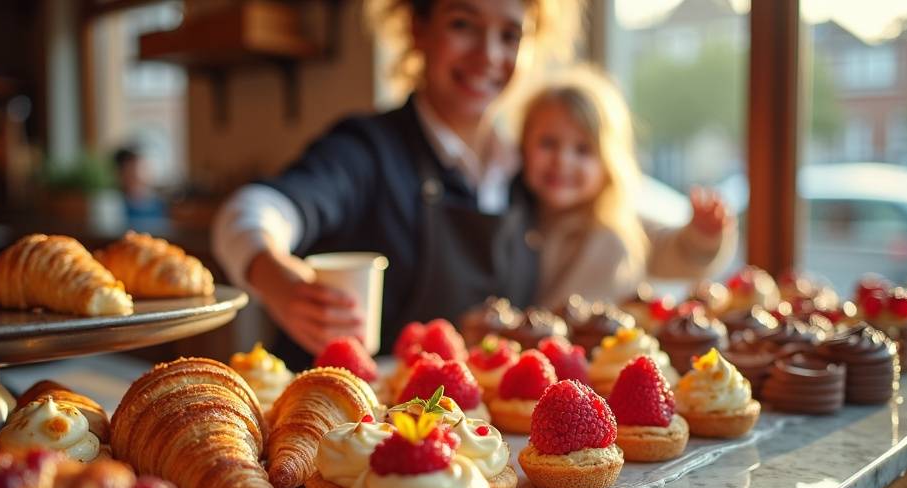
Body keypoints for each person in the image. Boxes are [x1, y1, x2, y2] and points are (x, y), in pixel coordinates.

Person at [213, 0, 566, 368]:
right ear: (418, 28)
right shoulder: (367, 149)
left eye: (510, 35)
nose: (488, 55)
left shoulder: (528, 173)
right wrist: (277, 280)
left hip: (468, 424)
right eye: (462, 25)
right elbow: (251, 209)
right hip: (337, 415)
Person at [517, 66, 737, 311]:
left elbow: (678, 254)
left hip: (611, 346)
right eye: (548, 143)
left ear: (609, 162)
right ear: (522, 145)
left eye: (583, 150)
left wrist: (703, 235)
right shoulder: (515, 221)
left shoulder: (619, 226)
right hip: (538, 345)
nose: (562, 161)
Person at [113, 146, 167, 225]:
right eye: (130, 171)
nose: (137, 175)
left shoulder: (159, 203)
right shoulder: (115, 204)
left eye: (143, 169)